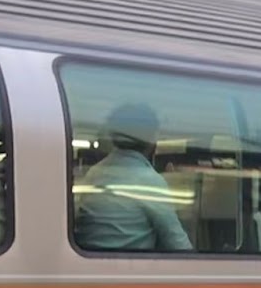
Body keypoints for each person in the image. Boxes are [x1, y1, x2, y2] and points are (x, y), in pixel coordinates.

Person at [74, 103, 194, 251]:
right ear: (152, 137)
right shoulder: (148, 180)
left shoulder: (94, 173)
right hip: (130, 269)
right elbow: (177, 243)